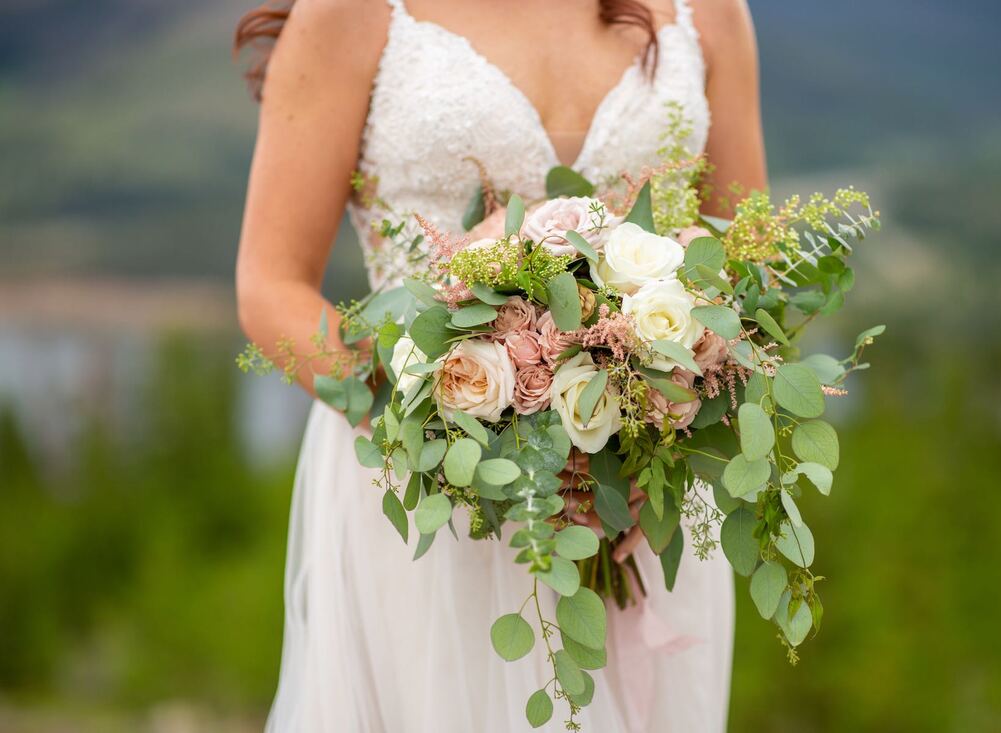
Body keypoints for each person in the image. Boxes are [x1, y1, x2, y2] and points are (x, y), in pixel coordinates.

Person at [234, 1, 767, 730]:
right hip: (428, 494)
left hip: (642, 498)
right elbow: (270, 285)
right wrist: (454, 426)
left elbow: (745, 260)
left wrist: (664, 413)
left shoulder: (708, 13)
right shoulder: (352, 13)